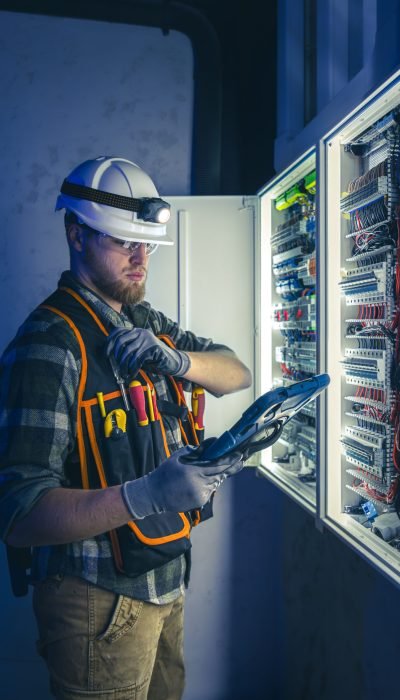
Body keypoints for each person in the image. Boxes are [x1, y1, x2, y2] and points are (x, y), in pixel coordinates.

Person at [0, 156, 252, 700]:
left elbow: (235, 373)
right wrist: (147, 495)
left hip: (164, 581)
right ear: (77, 235)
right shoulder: (50, 344)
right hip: (97, 602)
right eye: (123, 243)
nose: (141, 259)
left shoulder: (141, 322)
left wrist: (177, 360)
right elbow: (18, 513)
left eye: (147, 244)